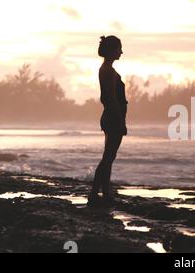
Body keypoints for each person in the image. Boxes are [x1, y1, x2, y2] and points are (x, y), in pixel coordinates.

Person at [87, 35, 128, 207]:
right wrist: (120, 121)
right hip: (112, 118)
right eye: (119, 48)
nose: (121, 52)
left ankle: (103, 193)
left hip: (110, 117)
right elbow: (109, 98)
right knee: (108, 157)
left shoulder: (106, 69)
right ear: (112, 50)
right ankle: (95, 193)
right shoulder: (107, 71)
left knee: (109, 157)